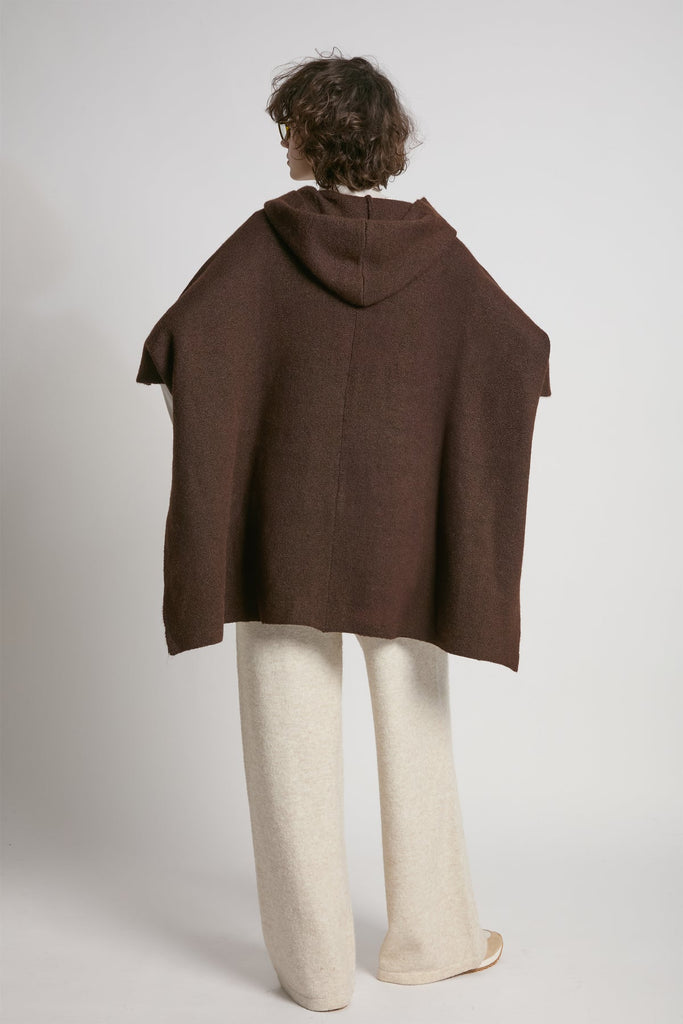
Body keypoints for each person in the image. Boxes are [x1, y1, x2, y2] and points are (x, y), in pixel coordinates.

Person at [137, 48, 551, 1013]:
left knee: (288, 746)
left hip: (282, 542)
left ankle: (315, 973)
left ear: (310, 134)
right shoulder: (440, 258)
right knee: (417, 732)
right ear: (385, 142)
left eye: (287, 125)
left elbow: (174, 347)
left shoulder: (263, 243)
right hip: (407, 541)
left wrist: (240, 432)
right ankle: (434, 943)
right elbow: (523, 351)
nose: (281, 141)